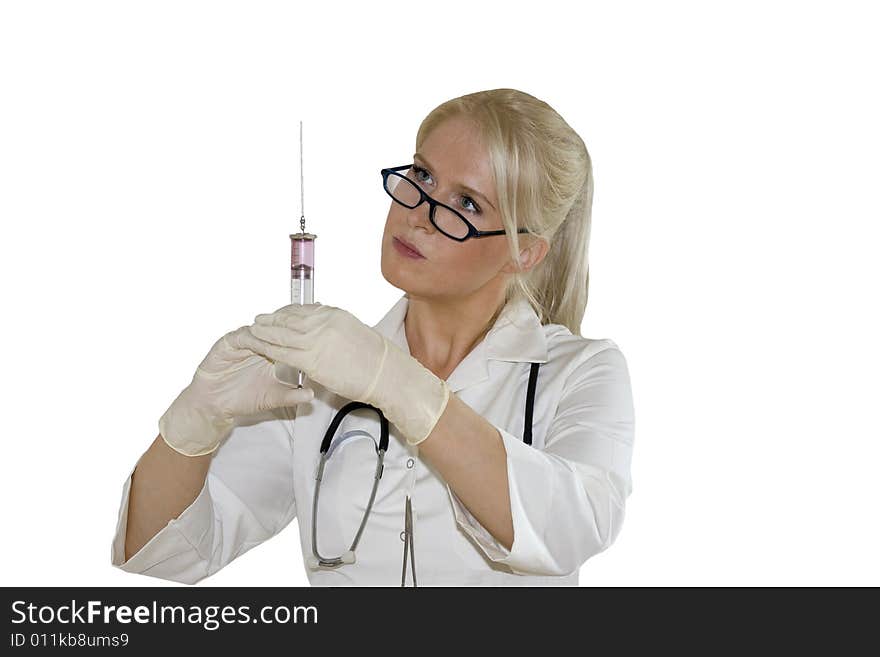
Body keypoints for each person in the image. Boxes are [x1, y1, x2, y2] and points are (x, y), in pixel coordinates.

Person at [110, 88, 636, 586]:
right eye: (423, 177)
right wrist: (193, 423)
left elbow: (573, 525)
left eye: (468, 204)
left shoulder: (580, 372)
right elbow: (166, 552)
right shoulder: (319, 377)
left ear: (525, 252)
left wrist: (395, 383)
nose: (419, 215)